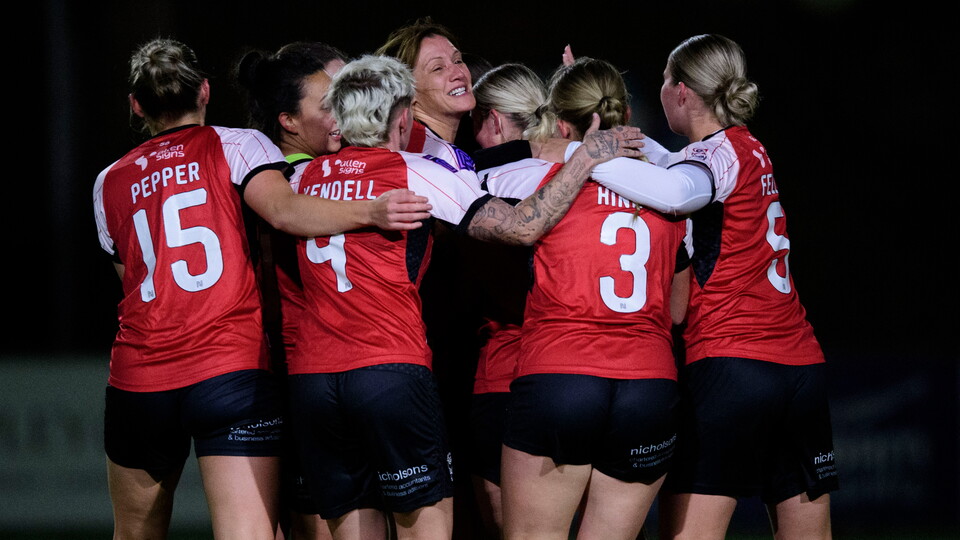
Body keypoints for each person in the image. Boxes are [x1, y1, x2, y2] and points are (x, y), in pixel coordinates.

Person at [285, 54, 646, 540]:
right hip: (389, 370)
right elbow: (522, 228)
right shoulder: (418, 170)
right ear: (403, 115)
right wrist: (582, 157)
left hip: (313, 379)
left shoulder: (300, 179)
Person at [93, 38, 431, 540]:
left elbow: (134, 281)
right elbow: (286, 212)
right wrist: (371, 210)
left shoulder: (108, 181)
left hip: (141, 378)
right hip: (229, 371)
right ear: (205, 92)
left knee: (134, 533)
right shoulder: (236, 145)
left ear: (136, 105)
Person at [473, 57, 690, 540]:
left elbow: (481, 203)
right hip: (649, 385)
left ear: (560, 119)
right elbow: (678, 309)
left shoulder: (525, 177)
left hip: (561, 375)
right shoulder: (676, 193)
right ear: (626, 109)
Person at [651, 34, 839, 540]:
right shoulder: (749, 147)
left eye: (666, 79)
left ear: (684, 90)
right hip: (799, 365)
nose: (661, 89)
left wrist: (585, 155)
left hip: (730, 362)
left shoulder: (711, 158)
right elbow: (674, 166)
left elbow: (675, 186)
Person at [237, 41, 388, 540]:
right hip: (300, 371)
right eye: (328, 106)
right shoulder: (293, 183)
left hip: (314, 371)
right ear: (288, 121)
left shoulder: (282, 174)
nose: (341, 117)